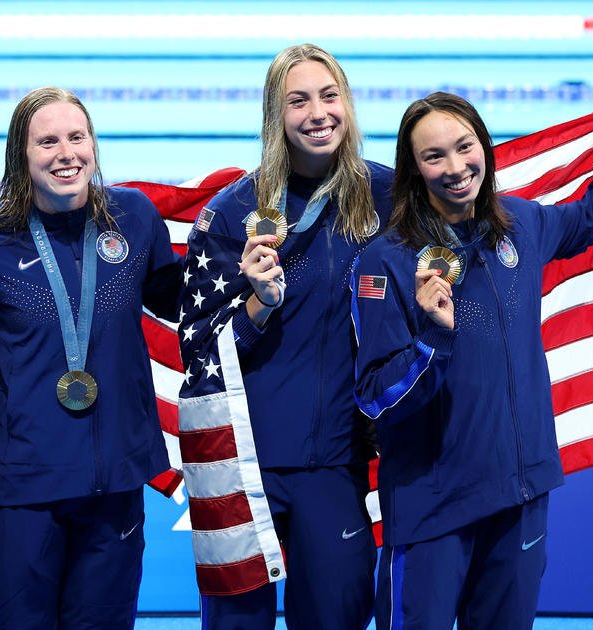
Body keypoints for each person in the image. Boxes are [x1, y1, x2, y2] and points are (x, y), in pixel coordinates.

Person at [351, 89, 593, 629]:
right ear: (413, 170)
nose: (456, 168)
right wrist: (434, 340)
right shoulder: (387, 261)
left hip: (520, 493)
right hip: (433, 508)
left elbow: (591, 216)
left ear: (486, 146)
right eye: (435, 157)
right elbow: (376, 397)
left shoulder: (521, 227)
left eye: (465, 147)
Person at [184, 43, 392, 629]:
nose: (317, 113)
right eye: (297, 101)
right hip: (247, 468)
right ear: (275, 116)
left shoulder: (387, 197)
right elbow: (196, 353)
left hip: (337, 464)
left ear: (347, 104)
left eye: (329, 96)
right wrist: (255, 306)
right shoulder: (231, 215)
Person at [0, 86, 182, 629]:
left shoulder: (131, 218)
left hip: (112, 482)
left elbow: (180, 301)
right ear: (21, 155)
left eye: (76, 137)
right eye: (47, 141)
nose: (66, 153)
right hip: (20, 489)